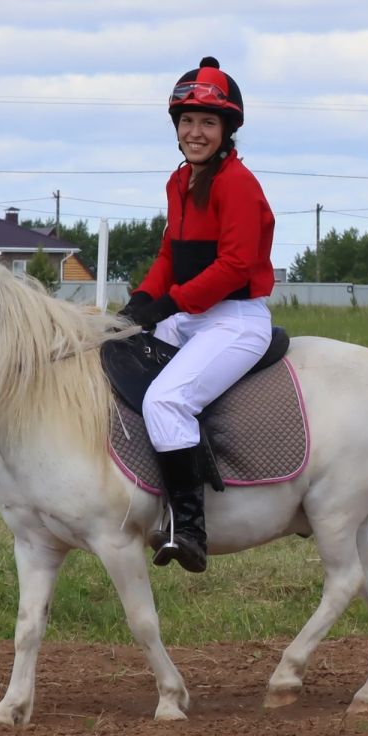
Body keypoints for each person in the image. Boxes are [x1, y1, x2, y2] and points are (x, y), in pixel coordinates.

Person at [122, 57, 277, 572]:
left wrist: (170, 303)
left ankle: (189, 529)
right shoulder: (179, 181)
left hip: (234, 319)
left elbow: (234, 266)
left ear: (227, 130)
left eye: (208, 123)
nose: (195, 132)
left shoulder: (237, 183)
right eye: (187, 122)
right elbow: (170, 255)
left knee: (166, 400)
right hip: (192, 314)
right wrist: (140, 302)